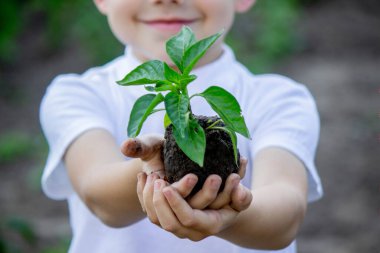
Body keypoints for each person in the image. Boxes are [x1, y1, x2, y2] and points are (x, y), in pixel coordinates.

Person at [39, 0, 323, 252]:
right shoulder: (78, 94)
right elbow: (99, 195)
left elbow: (285, 213)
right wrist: (152, 168)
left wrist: (229, 215)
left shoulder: (279, 99)